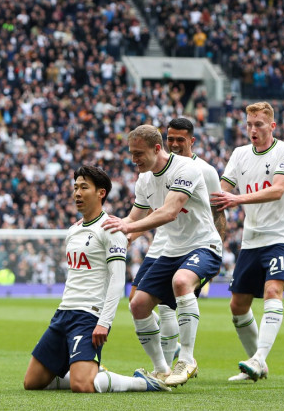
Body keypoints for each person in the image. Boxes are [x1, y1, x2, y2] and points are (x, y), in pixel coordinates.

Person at [23, 165, 170, 393]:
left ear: (101, 193)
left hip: (89, 315)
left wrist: (104, 322)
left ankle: (142, 381)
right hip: (63, 313)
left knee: (82, 386)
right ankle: (92, 372)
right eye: (75, 188)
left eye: (84, 187)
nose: (77, 194)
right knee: (32, 383)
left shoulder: (111, 229)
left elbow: (117, 280)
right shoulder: (73, 230)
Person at [103, 125, 222, 387]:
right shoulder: (144, 179)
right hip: (171, 251)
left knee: (181, 282)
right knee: (138, 304)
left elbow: (169, 211)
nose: (134, 160)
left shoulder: (185, 168)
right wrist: (111, 231)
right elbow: (134, 217)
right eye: (131, 154)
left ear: (157, 149)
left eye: (138, 154)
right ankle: (161, 370)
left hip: (203, 245)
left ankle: (187, 360)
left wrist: (130, 227)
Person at [211, 101, 284, 382]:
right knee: (238, 305)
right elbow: (220, 193)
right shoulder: (239, 154)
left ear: (271, 126)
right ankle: (257, 365)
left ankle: (259, 357)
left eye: (259, 124)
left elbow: (277, 190)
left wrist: (237, 199)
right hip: (251, 240)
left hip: (281, 236)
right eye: (249, 124)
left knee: (273, 291)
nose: (253, 129)